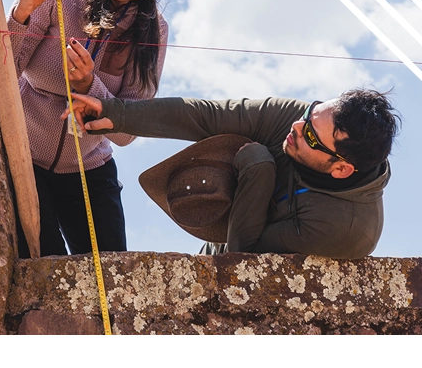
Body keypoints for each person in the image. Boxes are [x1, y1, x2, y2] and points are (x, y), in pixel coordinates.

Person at [8, 0, 200, 257]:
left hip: (90, 170)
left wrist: (88, 85)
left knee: (110, 278)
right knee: (42, 264)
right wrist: (21, 13)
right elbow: (5, 69)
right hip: (22, 157)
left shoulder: (152, 32)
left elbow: (127, 133)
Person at [66, 88, 399, 258]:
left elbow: (243, 257)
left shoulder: (344, 226)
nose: (296, 126)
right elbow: (209, 116)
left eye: (311, 135)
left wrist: (257, 168)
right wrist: (118, 114)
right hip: (211, 250)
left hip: (267, 305)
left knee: (257, 158)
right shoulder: (299, 123)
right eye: (310, 113)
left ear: (341, 169)